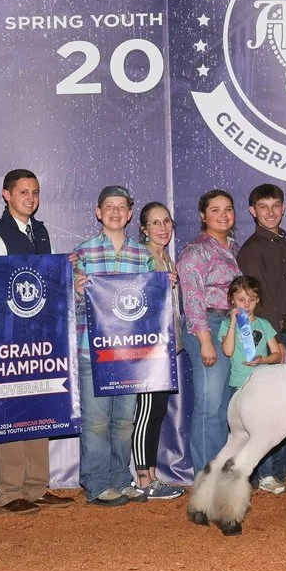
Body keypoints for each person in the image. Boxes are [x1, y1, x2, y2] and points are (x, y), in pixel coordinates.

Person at [0, 169, 72, 513]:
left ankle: (36, 487)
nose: (29, 198)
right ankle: (10, 491)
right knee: (13, 408)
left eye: (34, 192)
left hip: (39, 337)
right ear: (6, 195)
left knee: (39, 407)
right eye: (22, 192)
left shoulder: (40, 232)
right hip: (8, 340)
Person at [73, 185, 152, 506]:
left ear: (130, 213)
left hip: (131, 354)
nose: (116, 212)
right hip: (92, 349)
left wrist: (162, 288)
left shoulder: (143, 256)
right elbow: (69, 306)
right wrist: (78, 291)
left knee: (123, 422)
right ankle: (96, 483)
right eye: (109, 206)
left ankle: (121, 478)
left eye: (122, 207)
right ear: (98, 212)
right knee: (95, 420)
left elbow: (150, 307)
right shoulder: (83, 253)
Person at [235, 183, 286, 491]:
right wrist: (273, 338)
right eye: (263, 207)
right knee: (270, 406)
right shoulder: (251, 249)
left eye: (275, 206)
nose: (270, 212)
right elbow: (255, 300)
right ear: (252, 211)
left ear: (284, 207)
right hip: (271, 336)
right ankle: (266, 470)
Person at [177, 189, 241, 478]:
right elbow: (192, 299)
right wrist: (205, 341)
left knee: (228, 405)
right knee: (210, 404)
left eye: (228, 209)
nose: (223, 215)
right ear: (203, 216)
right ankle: (206, 475)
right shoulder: (196, 250)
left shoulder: (234, 248)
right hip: (207, 326)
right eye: (215, 210)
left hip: (232, 326)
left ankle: (224, 468)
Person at [133, 202, 185, 500]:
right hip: (146, 348)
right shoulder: (142, 257)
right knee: (146, 411)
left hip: (166, 346)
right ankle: (143, 477)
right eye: (155, 223)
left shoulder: (166, 257)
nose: (162, 227)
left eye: (166, 221)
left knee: (157, 411)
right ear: (144, 228)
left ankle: (151, 474)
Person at [220, 275, 284, 388]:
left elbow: (277, 355)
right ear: (231, 299)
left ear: (258, 299)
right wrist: (233, 324)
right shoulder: (227, 325)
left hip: (262, 382)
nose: (246, 305)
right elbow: (228, 352)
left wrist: (262, 360)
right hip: (239, 384)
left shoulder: (264, 324)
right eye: (241, 300)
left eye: (252, 300)